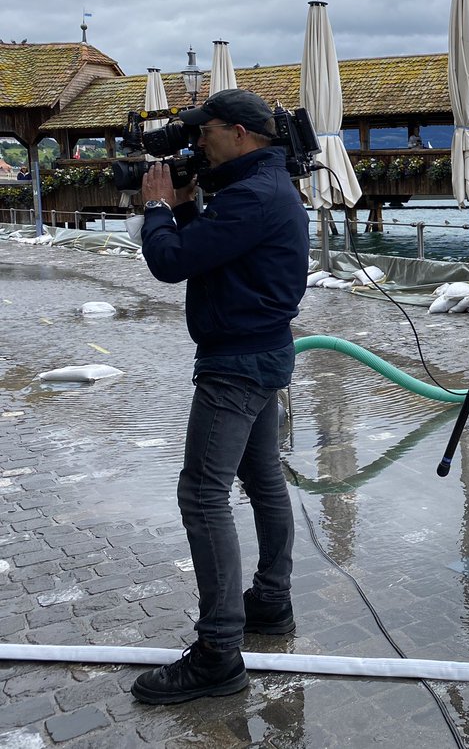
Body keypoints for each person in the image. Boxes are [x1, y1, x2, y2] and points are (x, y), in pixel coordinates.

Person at [131, 89, 309, 704]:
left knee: (203, 495)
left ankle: (218, 653)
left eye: (204, 132)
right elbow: (215, 255)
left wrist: (158, 208)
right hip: (261, 352)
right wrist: (184, 209)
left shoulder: (252, 195)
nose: (198, 143)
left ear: (239, 132)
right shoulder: (262, 186)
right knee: (263, 479)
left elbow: (171, 262)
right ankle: (271, 601)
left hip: (236, 364)